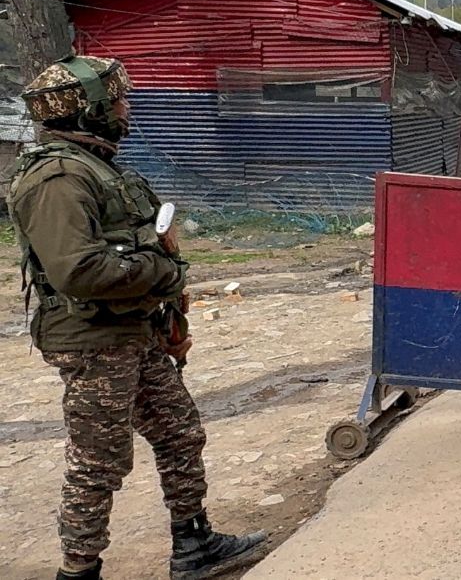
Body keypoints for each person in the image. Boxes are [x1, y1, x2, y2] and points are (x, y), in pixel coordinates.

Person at [9, 56, 268, 580]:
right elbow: (78, 270)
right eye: (119, 100)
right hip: (93, 340)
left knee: (179, 431)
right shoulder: (57, 178)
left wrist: (165, 303)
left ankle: (194, 545)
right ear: (91, 110)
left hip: (133, 332)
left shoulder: (98, 167)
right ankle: (78, 570)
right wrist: (161, 271)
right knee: (99, 460)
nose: (127, 109)